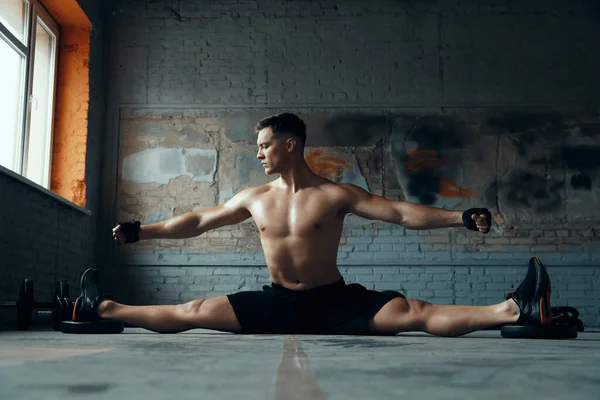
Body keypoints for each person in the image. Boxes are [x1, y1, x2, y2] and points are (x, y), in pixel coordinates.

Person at [73, 112, 551, 336]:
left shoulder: (335, 195)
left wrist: (461, 217)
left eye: (264, 144)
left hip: (334, 301)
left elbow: (400, 212)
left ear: (289, 145)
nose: (258, 152)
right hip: (278, 302)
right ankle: (103, 308)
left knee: (416, 312)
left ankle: (512, 310)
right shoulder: (254, 198)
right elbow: (199, 220)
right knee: (193, 310)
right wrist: (144, 231)